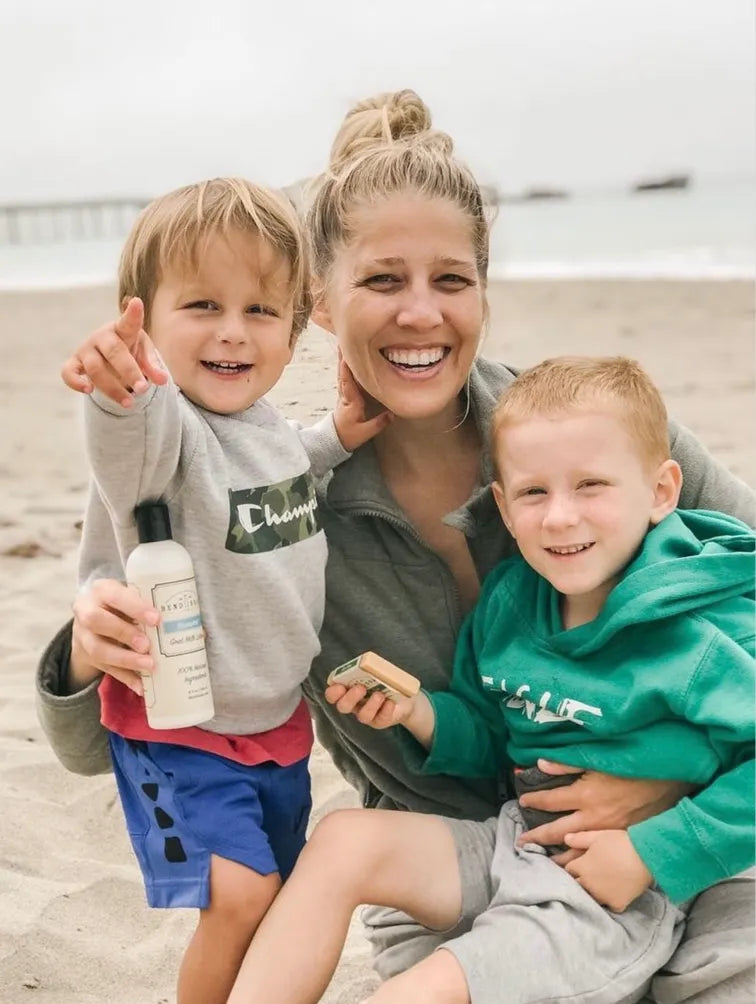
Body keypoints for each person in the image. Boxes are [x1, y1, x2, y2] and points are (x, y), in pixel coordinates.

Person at [36, 91, 756, 1002]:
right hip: (449, 860)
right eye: (382, 282)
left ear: (484, 294)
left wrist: (668, 788)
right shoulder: (279, 506)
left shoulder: (596, 438)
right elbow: (118, 746)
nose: (421, 314)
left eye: (451, 281)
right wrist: (85, 651)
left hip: (710, 827)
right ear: (320, 307)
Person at [225, 355, 755, 1004]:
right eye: (535, 492)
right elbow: (489, 732)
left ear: (662, 492)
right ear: (502, 504)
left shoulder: (700, 629)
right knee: (343, 840)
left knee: (425, 989)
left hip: (606, 889)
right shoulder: (512, 602)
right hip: (514, 837)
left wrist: (655, 851)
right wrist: (419, 712)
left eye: (592, 486)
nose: (560, 517)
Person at [58, 176, 387, 1004]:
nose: (233, 333)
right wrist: (120, 384)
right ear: (148, 317)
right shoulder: (164, 425)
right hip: (182, 722)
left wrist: (336, 439)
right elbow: (128, 438)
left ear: (292, 326)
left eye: (259, 312)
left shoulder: (263, 426)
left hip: (275, 725)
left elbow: (274, 484)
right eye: (202, 305)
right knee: (239, 894)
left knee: (271, 898)